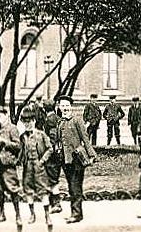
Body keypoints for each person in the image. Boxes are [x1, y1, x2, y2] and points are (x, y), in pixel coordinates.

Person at [57, 95, 96, 224]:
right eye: (62, 106)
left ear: (71, 107)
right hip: (66, 160)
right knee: (70, 186)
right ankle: (75, 212)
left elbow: (85, 139)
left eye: (67, 106)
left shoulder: (77, 121)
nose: (65, 108)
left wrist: (91, 155)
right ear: (59, 107)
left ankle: (76, 214)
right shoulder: (60, 122)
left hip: (77, 160)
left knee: (75, 187)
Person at [19, 106, 53, 226]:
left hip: (39, 167)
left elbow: (50, 148)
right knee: (28, 191)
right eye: (25, 122)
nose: (28, 124)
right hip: (27, 167)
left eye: (30, 121)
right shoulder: (22, 137)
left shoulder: (41, 135)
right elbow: (19, 152)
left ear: (34, 121)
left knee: (43, 191)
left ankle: (47, 216)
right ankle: (32, 214)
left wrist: (42, 160)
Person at [0, 106, 22, 224]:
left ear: (6, 116)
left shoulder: (12, 128)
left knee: (13, 189)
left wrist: (5, 142)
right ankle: (1, 213)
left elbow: (18, 146)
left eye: (1, 116)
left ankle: (18, 215)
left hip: (8, 164)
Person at [43, 99, 63, 214]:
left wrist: (49, 148)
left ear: (45, 108)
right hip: (57, 152)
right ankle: (53, 203)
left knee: (52, 178)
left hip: (53, 154)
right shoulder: (56, 118)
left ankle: (56, 204)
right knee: (51, 178)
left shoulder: (50, 120)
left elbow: (53, 136)